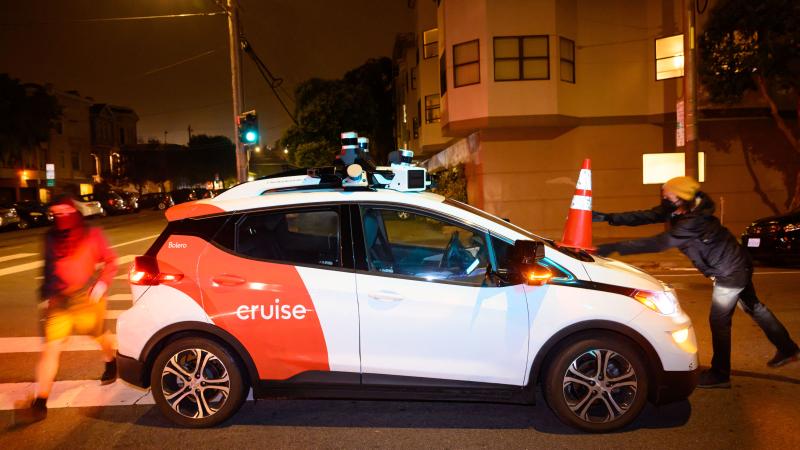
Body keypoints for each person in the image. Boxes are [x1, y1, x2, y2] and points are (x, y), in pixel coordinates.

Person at [593, 176, 799, 389]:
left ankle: (720, 374)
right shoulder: (678, 209)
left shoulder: (694, 221)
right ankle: (788, 349)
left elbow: (661, 242)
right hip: (738, 263)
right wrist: (608, 217)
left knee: (719, 321)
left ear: (681, 197)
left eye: (668, 194)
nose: (664, 198)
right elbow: (645, 215)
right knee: (754, 307)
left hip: (729, 271)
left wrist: (615, 247)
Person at [14, 195, 118, 424]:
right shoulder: (50, 237)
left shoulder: (92, 234)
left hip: (87, 297)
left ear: (74, 212)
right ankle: (41, 402)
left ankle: (111, 361)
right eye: (56, 213)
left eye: (65, 212)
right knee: (51, 349)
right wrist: (45, 295)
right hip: (59, 301)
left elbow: (111, 260)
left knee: (99, 335)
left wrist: (101, 284)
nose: (61, 218)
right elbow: (48, 267)